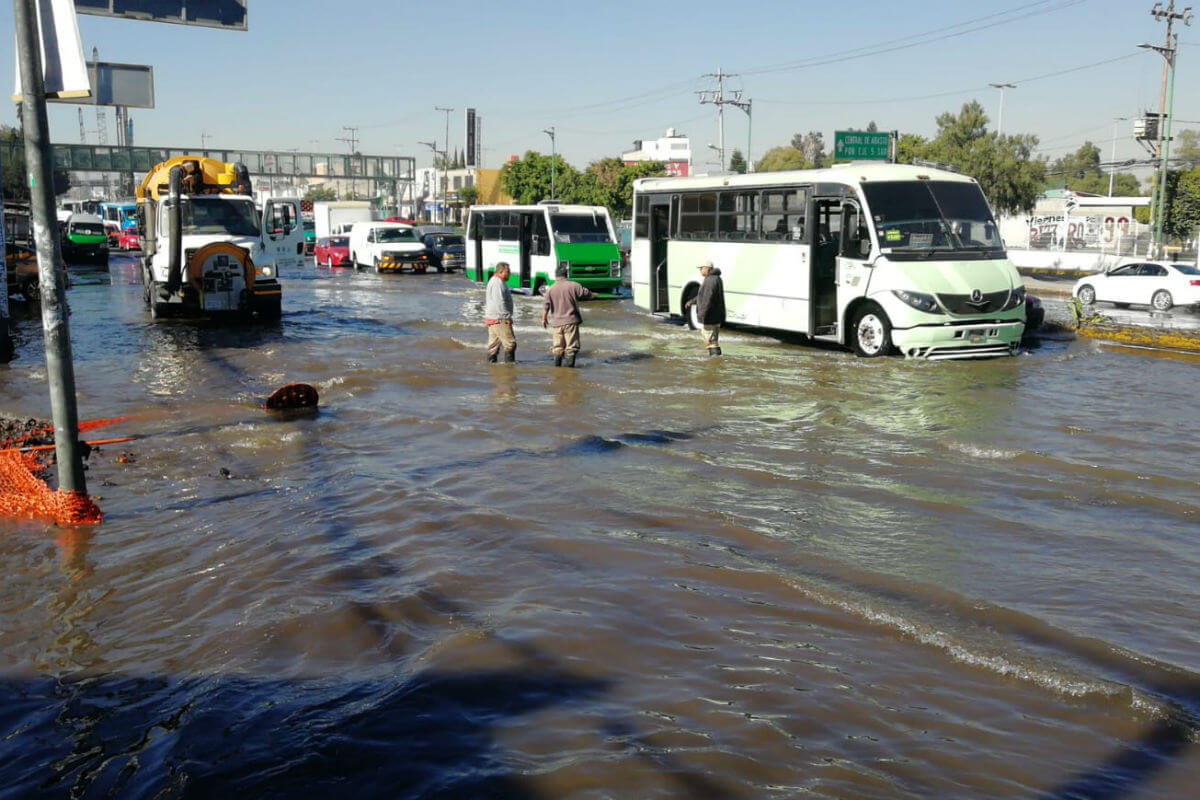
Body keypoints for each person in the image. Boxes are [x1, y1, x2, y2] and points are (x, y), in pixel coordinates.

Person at [541, 265, 594, 367]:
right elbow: (586, 293)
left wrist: (544, 318)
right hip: (571, 321)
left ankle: (558, 370)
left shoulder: (550, 289)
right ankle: (570, 371)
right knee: (571, 348)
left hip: (556, 323)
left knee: (557, 347)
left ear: (556, 276)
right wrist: (594, 295)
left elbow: (545, 306)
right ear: (566, 274)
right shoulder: (574, 285)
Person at [686, 260, 726, 357]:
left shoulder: (710, 280)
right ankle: (716, 360)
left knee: (710, 340)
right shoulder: (715, 278)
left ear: (707, 269)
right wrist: (691, 302)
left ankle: (714, 361)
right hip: (715, 315)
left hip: (710, 316)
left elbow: (707, 298)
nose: (700, 270)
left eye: (701, 268)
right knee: (713, 340)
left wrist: (702, 315)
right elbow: (702, 296)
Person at [484, 261, 516, 363]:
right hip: (499, 318)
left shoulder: (497, 282)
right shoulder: (497, 283)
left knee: (494, 346)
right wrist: (506, 318)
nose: (510, 273)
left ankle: (492, 369)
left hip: (494, 318)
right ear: (501, 272)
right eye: (508, 271)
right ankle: (509, 370)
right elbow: (499, 302)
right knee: (510, 344)